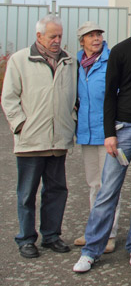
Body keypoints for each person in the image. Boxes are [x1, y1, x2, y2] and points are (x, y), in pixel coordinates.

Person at [73, 0, 131, 273]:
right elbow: (109, 95)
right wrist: (109, 133)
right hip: (123, 130)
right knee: (107, 191)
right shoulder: (121, 52)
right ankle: (91, 250)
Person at [2, 14, 77, 259]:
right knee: (27, 193)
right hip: (31, 141)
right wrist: (20, 125)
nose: (57, 41)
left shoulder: (69, 62)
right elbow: (9, 98)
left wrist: (71, 121)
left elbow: (75, 99)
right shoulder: (20, 60)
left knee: (56, 191)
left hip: (58, 141)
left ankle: (51, 235)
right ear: (38, 36)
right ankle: (25, 239)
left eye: (59, 36)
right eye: (52, 36)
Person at [73, 22, 120, 254]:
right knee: (94, 184)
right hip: (86, 132)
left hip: (108, 133)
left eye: (98, 34)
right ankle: (95, 231)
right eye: (90, 36)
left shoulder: (112, 60)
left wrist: (116, 129)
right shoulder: (77, 64)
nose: (96, 39)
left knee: (108, 185)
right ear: (81, 40)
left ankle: (109, 234)